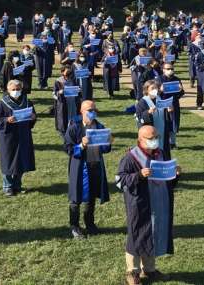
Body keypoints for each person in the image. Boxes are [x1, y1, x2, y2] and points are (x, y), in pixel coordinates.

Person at [116, 125, 179, 285]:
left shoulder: (161, 154)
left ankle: (149, 269)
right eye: (150, 138)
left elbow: (168, 180)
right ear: (140, 140)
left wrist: (175, 174)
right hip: (139, 204)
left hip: (157, 202)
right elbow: (119, 181)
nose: (154, 141)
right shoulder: (130, 158)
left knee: (151, 233)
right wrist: (138, 175)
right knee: (137, 235)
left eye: (156, 137)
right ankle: (133, 271)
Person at [64, 101, 113, 239]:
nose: (93, 112)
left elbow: (105, 149)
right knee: (76, 197)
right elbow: (68, 148)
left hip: (95, 165)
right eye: (89, 110)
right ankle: (74, 226)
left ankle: (89, 224)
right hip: (79, 167)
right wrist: (81, 145)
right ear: (82, 111)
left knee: (91, 197)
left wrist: (108, 141)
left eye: (94, 109)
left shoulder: (99, 126)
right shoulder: (74, 128)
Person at [0, 80, 37, 196]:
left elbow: (32, 116)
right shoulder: (2, 103)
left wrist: (33, 117)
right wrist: (6, 120)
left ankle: (17, 185)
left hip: (23, 135)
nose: (16, 92)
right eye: (13, 90)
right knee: (8, 161)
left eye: (18, 89)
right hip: (8, 137)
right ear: (8, 90)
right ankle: (8, 186)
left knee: (22, 160)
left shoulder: (27, 102)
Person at [135, 80, 175, 160]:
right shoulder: (142, 102)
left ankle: (164, 167)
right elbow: (139, 118)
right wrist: (148, 112)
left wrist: (169, 111)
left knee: (164, 150)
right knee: (152, 151)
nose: (155, 90)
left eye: (156, 88)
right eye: (152, 88)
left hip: (163, 131)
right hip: (151, 133)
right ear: (147, 90)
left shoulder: (160, 99)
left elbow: (166, 116)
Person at [54, 66, 81, 137]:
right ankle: (64, 132)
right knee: (64, 118)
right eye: (67, 71)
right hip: (63, 103)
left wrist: (78, 90)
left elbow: (77, 90)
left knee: (73, 116)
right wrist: (59, 92)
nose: (68, 73)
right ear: (62, 72)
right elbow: (54, 94)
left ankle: (73, 130)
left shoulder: (73, 80)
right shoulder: (58, 81)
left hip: (72, 102)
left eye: (69, 71)